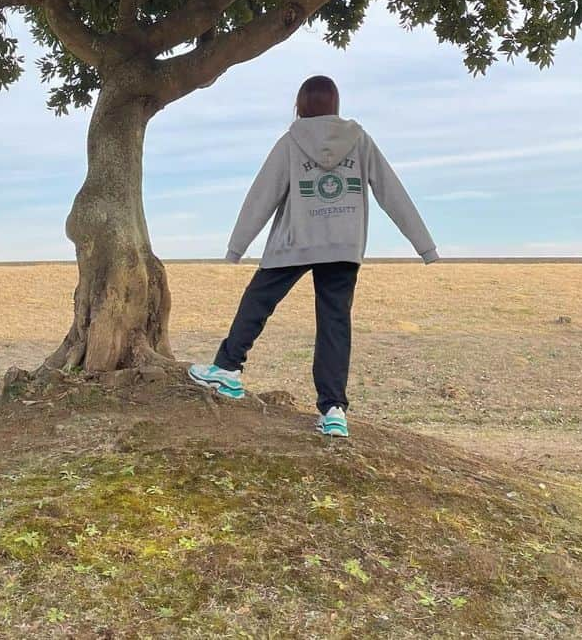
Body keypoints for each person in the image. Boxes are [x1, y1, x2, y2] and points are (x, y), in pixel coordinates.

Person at [188, 74, 439, 438]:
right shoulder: (359, 140)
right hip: (344, 245)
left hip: (296, 240)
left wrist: (236, 249)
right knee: (335, 323)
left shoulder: (292, 140)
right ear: (335, 104)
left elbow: (263, 194)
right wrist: (425, 248)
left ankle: (228, 368)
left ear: (300, 106)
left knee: (259, 300)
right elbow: (391, 191)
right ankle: (334, 410)